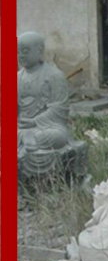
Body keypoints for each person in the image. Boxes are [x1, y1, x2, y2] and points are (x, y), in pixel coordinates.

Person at [17, 31, 72, 177]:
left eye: (25, 51)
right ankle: (25, 138)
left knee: (58, 137)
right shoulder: (16, 78)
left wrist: (34, 121)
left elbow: (60, 110)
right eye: (18, 52)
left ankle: (29, 139)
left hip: (46, 127)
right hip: (21, 128)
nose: (21, 56)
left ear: (39, 50)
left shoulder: (54, 76)